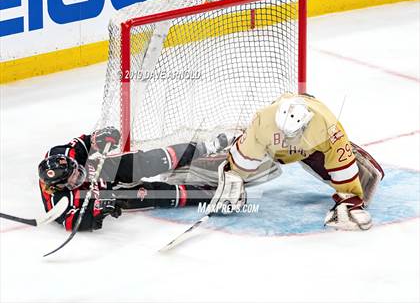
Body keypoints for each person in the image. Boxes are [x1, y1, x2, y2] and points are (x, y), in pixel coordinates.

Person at [207, 92, 384, 231]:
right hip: (272, 147)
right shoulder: (263, 121)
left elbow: (341, 162)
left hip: (309, 149)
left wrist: (350, 200)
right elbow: (246, 154)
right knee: (246, 147)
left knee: (364, 181)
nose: (287, 138)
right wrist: (234, 180)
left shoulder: (326, 126)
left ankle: (236, 138)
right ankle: (234, 137)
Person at [38, 127, 228, 231]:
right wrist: (98, 211)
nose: (79, 175)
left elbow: (86, 142)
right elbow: (73, 222)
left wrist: (100, 138)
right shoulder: (58, 202)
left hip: (103, 169)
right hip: (105, 195)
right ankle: (213, 195)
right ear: (60, 186)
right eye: (74, 179)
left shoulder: (62, 153)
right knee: (157, 194)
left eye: (77, 170)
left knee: (148, 161)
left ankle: (209, 147)